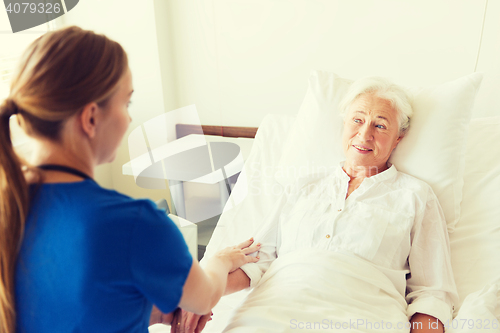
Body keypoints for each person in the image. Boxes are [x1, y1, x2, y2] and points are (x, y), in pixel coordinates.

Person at [0, 26, 260, 333]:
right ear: (91, 118)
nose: (129, 118)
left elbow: (63, 305)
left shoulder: (10, 206)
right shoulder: (134, 222)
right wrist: (220, 260)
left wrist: (151, 313)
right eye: (127, 104)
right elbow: (203, 300)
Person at [176, 77, 458, 333]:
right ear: (344, 125)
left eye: (380, 125)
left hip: (365, 317)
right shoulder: (303, 186)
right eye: (357, 120)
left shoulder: (416, 196)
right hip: (272, 312)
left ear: (399, 137)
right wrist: (202, 295)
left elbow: (432, 294)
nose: (364, 134)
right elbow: (255, 260)